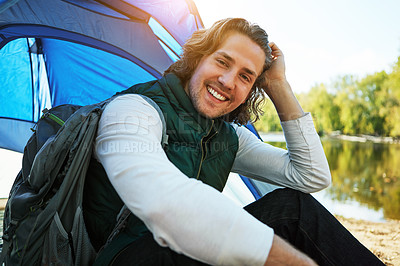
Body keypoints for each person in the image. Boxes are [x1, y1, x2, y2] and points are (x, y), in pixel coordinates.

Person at [82, 18, 384, 265]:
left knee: (293, 209)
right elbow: (163, 201)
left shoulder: (226, 136)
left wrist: (277, 85)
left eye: (245, 77)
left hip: (187, 254)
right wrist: (288, 259)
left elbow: (310, 176)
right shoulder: (134, 110)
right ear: (198, 59)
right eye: (222, 62)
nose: (227, 82)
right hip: (125, 258)